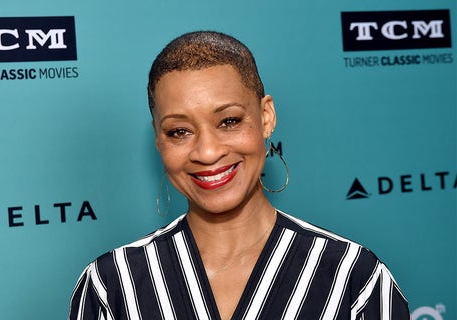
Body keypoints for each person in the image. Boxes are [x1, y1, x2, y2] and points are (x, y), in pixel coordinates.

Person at [69, 31, 409, 320]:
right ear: (158, 138)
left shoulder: (352, 276)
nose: (207, 152)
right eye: (179, 132)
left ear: (266, 117)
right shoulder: (112, 284)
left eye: (228, 121)